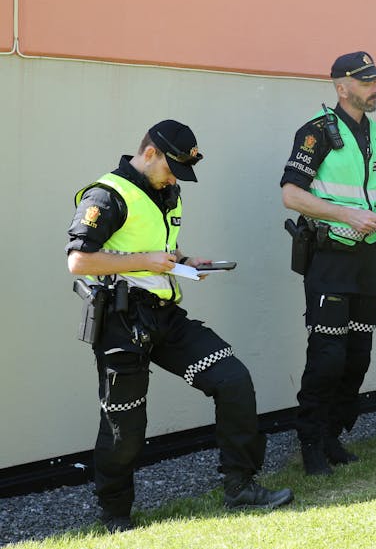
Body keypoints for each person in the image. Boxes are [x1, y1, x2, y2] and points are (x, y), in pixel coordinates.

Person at [66, 120, 294, 533]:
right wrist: (146, 262)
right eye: (172, 167)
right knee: (125, 426)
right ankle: (115, 515)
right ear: (149, 152)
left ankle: (240, 486)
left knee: (233, 380)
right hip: (121, 321)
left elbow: (158, 251)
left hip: (165, 316)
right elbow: (78, 261)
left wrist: (185, 264)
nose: (175, 178)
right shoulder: (107, 194)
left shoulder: (166, 191)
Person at [280, 51, 376, 476]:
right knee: (327, 358)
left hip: (366, 260)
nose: (375, 88)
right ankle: (311, 442)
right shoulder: (316, 133)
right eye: (367, 82)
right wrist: (347, 214)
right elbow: (291, 194)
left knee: (358, 356)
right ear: (342, 88)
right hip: (330, 259)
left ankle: (333, 432)